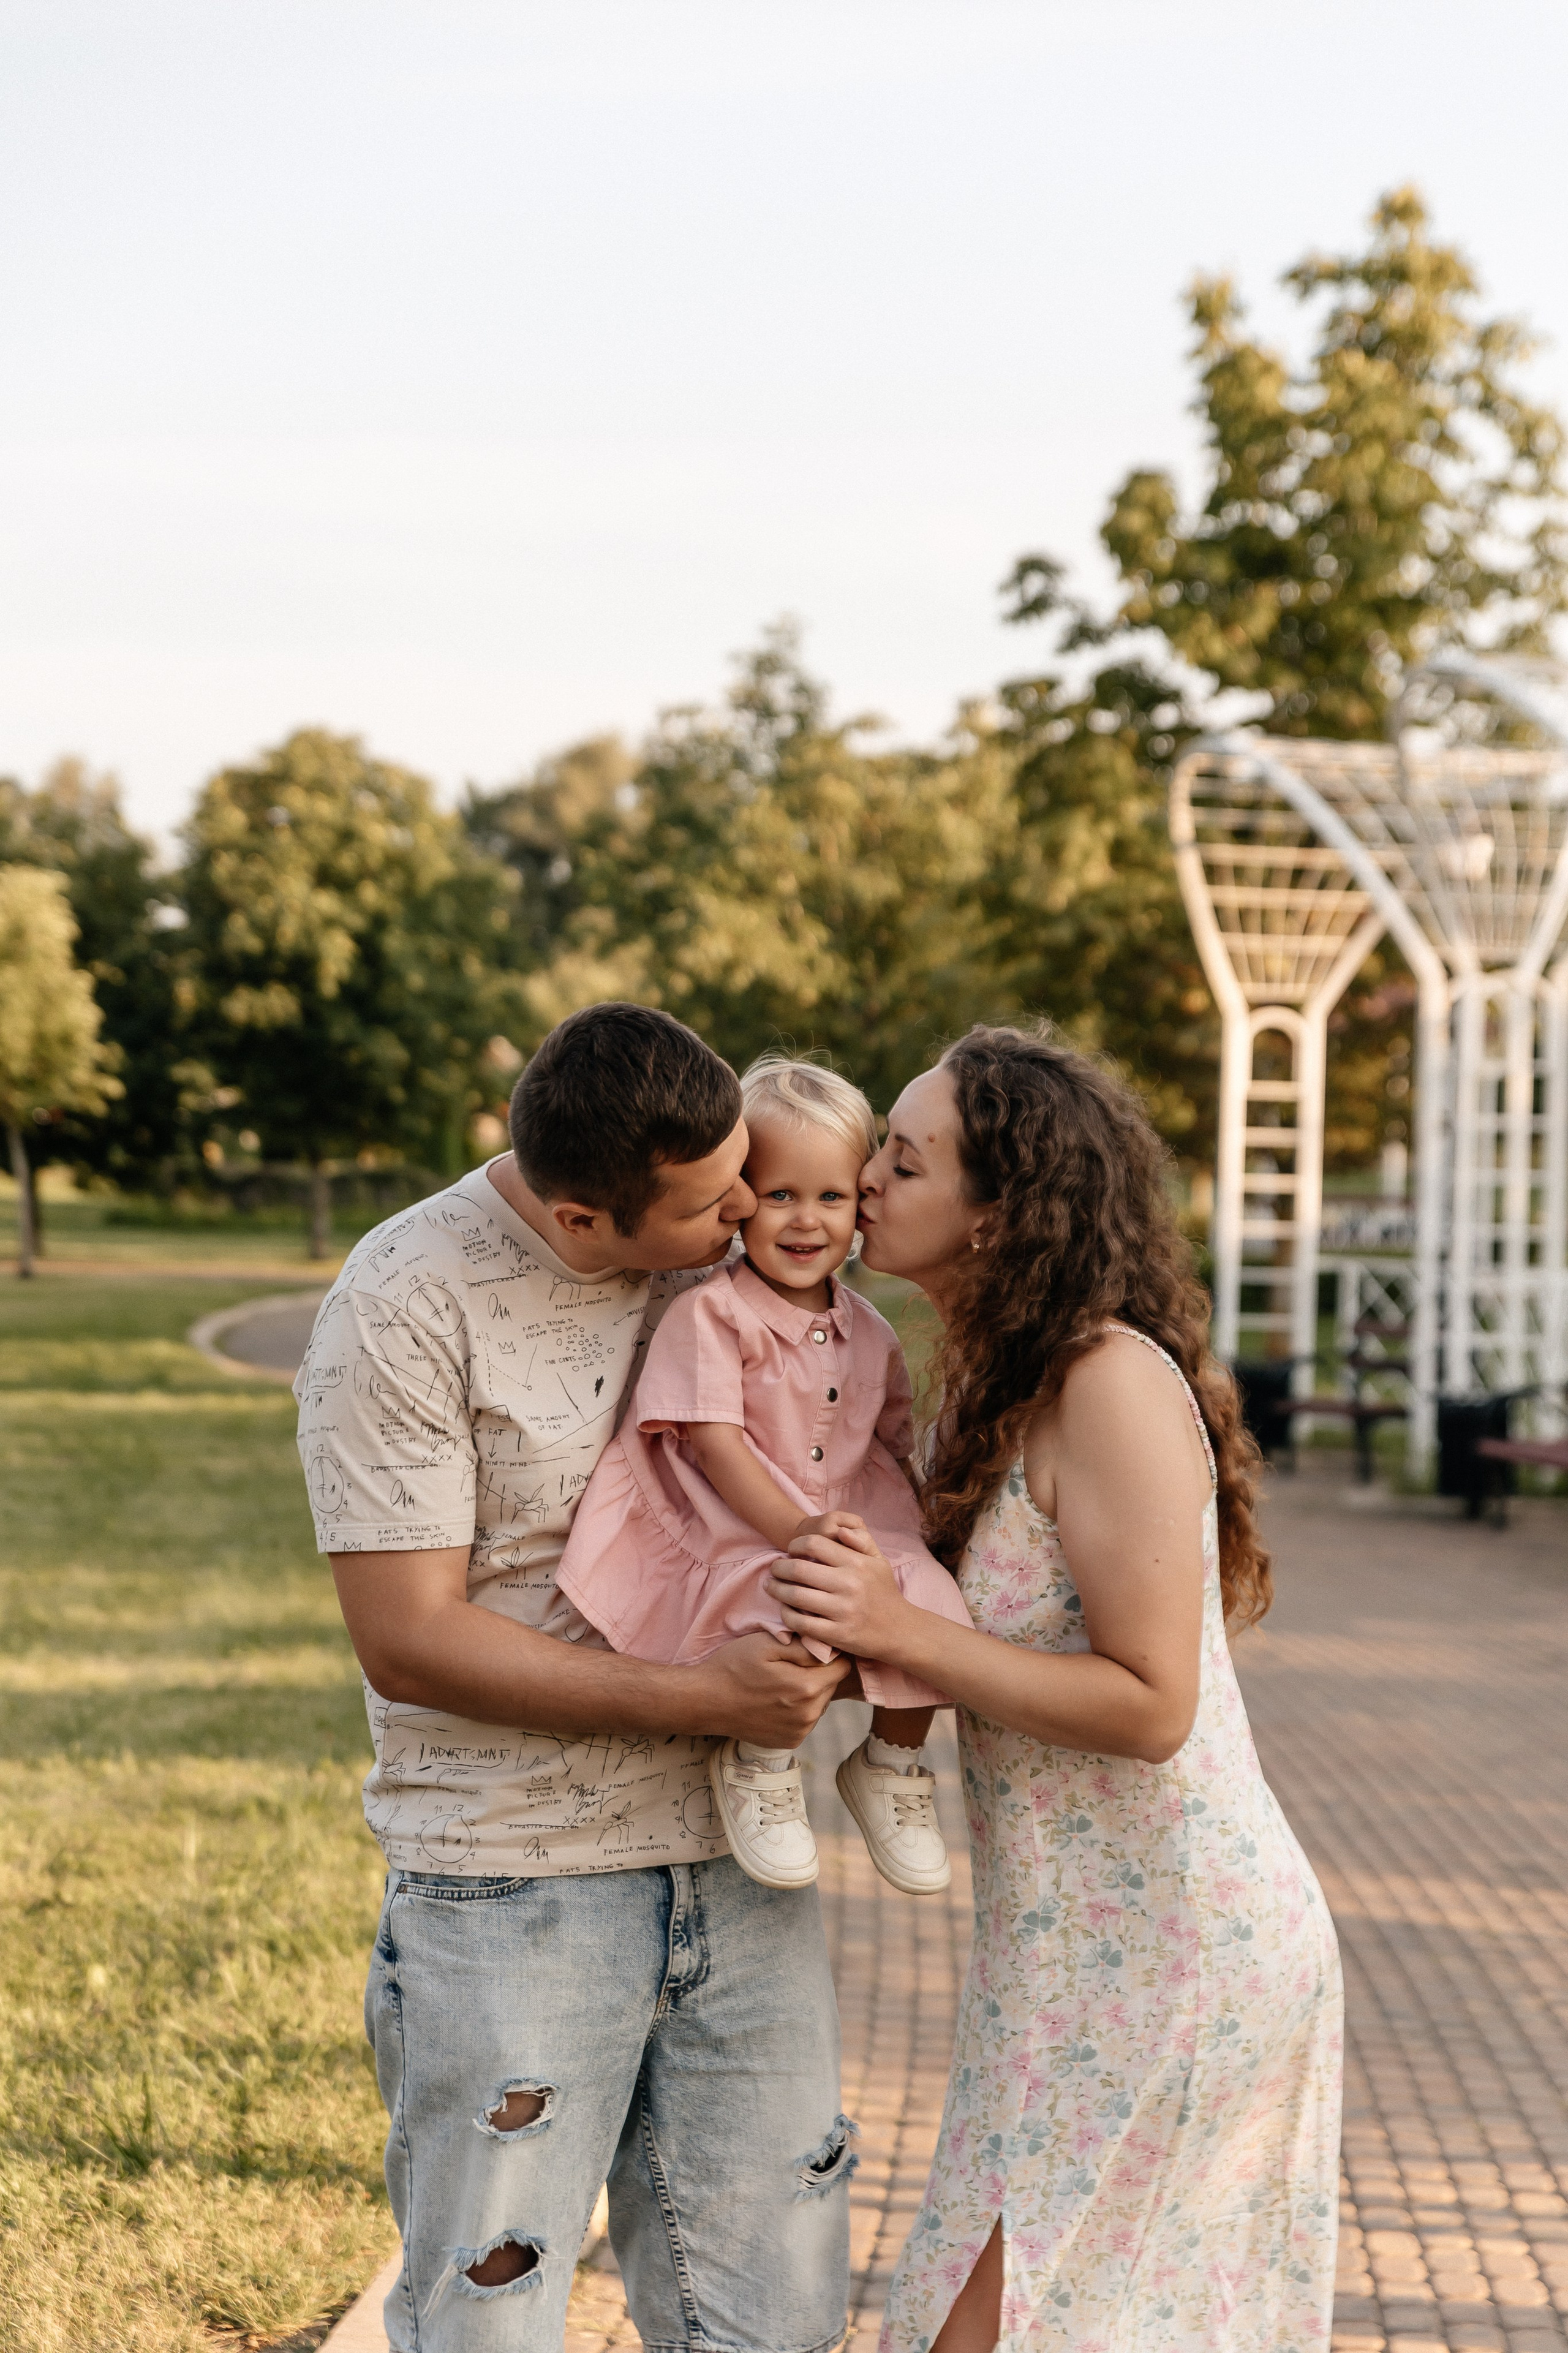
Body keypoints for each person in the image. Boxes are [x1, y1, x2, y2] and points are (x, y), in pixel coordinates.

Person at [770, 1025, 1343, 2353]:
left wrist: (888, 1623)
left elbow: (1153, 1707)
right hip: (1057, 1968)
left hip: (1178, 1961)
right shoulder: (991, 1379)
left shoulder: (1105, 1383)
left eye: (899, 1164)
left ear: (997, 1214)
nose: (863, 1185)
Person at [294, 1003, 857, 2353]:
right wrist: (708, 1699)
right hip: (510, 1892)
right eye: (711, 1196)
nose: (746, 1206)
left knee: (777, 2316)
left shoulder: (724, 1252)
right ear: (582, 1218)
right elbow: (408, 1637)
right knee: (488, 2320)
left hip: (735, 1866)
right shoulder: (403, 1298)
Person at [559, 1055, 973, 1895]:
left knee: (933, 1600)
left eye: (831, 1197)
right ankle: (764, 1759)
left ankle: (891, 1763)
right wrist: (798, 1534)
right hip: (741, 1523)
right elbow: (717, 1447)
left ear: (860, 1203)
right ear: (740, 1198)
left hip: (850, 1518)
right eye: (780, 1194)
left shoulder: (871, 1331)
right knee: (781, 1604)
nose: (806, 1220)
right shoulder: (711, 1314)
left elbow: (888, 1445)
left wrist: (918, 1534)